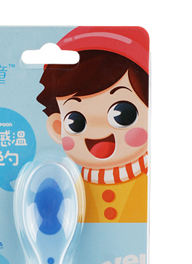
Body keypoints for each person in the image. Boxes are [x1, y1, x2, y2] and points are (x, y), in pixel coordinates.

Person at [37, 27, 149, 223]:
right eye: (76, 121)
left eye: (123, 114)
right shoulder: (71, 190)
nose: (98, 131)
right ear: (57, 127)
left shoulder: (150, 183)